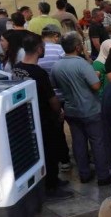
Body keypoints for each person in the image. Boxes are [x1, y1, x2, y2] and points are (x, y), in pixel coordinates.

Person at [12, 34, 73, 200]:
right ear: (39, 49)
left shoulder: (17, 68)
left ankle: (50, 181)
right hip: (44, 119)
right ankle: (51, 186)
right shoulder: (39, 73)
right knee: (50, 152)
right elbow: (51, 98)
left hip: (26, 117)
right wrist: (59, 111)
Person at [51, 32, 110, 185]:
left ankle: (84, 174)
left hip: (71, 109)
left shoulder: (57, 65)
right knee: (97, 142)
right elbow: (96, 86)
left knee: (78, 142)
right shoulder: (82, 64)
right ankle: (103, 175)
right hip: (90, 109)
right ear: (78, 47)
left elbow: (55, 85)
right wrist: (96, 75)